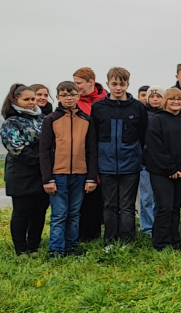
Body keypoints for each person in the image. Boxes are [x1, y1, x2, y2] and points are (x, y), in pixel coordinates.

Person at [39, 81, 98, 257]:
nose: (69, 98)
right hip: (58, 174)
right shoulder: (51, 119)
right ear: (58, 97)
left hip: (80, 174)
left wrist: (91, 177)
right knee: (59, 214)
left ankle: (72, 247)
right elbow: (44, 150)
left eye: (72, 94)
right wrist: (47, 178)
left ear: (78, 96)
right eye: (64, 95)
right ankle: (56, 249)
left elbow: (92, 149)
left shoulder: (87, 120)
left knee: (74, 213)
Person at [90, 67, 147, 244]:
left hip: (130, 165)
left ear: (128, 85)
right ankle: (110, 240)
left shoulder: (137, 107)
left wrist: (140, 158)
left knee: (127, 206)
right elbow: (94, 137)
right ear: (108, 84)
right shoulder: (98, 108)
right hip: (106, 165)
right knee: (109, 205)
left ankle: (127, 241)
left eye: (122, 84)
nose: (118, 88)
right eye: (114, 84)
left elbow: (143, 135)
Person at [144, 88, 181, 251]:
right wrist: (171, 169)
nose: (175, 102)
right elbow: (155, 148)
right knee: (164, 207)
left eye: (179, 99)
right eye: (172, 99)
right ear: (165, 101)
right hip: (162, 172)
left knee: (176, 208)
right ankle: (160, 241)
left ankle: (175, 239)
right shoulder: (157, 120)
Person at [1, 84, 49, 255]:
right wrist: (42, 160)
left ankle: (34, 245)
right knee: (22, 212)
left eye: (33, 99)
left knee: (39, 210)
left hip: (41, 173)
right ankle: (20, 249)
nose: (31, 102)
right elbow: (16, 148)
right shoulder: (11, 122)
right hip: (21, 173)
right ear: (15, 100)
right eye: (26, 99)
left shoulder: (42, 118)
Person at [72, 68, 107, 240]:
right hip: (81, 153)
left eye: (78, 83)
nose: (76, 87)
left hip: (104, 151)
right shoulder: (74, 102)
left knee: (99, 195)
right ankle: (81, 234)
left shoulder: (106, 100)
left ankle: (95, 232)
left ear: (91, 82)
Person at [138, 86, 165, 235]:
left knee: (159, 197)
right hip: (145, 161)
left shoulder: (167, 114)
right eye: (152, 96)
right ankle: (147, 227)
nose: (155, 99)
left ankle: (158, 225)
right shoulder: (142, 115)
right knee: (146, 196)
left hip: (161, 163)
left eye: (159, 96)